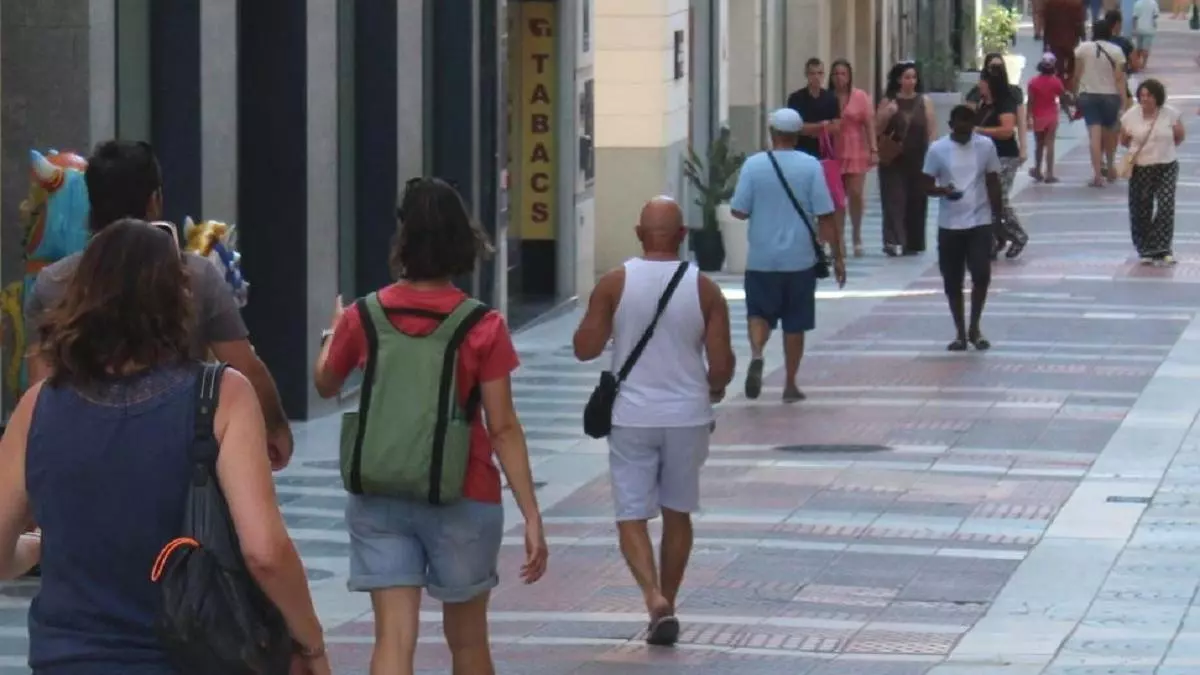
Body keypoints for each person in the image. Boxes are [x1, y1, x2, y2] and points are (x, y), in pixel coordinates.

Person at [0, 220, 329, 675]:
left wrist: (38, 548)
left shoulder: (38, 406)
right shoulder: (220, 396)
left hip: (66, 660)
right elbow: (264, 552)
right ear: (178, 296)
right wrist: (310, 641)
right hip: (189, 657)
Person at [313, 177, 548, 675]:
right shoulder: (483, 325)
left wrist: (333, 332)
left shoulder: (363, 316)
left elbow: (326, 383)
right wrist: (531, 514)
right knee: (468, 642)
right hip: (463, 492)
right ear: (462, 242)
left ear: (403, 240)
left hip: (380, 489)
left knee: (393, 641)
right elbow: (503, 428)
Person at [23, 140, 294, 469]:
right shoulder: (197, 276)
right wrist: (275, 428)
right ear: (155, 201)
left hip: (84, 459)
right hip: (175, 458)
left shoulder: (53, 282)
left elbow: (40, 391)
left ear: (91, 205)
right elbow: (244, 365)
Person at [572, 197, 735, 647]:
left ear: (639, 234)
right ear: (682, 236)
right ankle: (671, 600)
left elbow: (585, 348)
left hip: (632, 417)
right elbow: (721, 367)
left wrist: (607, 319)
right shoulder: (705, 289)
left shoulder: (614, 283)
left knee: (631, 514)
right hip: (687, 417)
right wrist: (712, 388)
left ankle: (652, 598)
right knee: (677, 513)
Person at [730, 109, 842, 403]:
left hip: (761, 259)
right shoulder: (811, 166)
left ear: (772, 133)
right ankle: (790, 384)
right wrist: (839, 258)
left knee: (758, 313)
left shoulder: (753, 165)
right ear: (798, 135)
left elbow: (738, 210)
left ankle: (757, 353)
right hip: (800, 260)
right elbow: (826, 215)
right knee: (795, 323)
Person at [923, 106, 1005, 352]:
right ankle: (959, 331)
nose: (965, 134)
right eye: (960, 129)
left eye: (969, 129)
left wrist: (998, 219)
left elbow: (993, 181)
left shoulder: (985, 146)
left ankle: (975, 327)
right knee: (952, 279)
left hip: (979, 220)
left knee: (981, 274)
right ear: (950, 125)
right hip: (949, 224)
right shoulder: (937, 149)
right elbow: (925, 185)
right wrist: (943, 191)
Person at [1120, 79, 1185, 266]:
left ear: (1158, 97)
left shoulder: (1170, 114)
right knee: (1141, 207)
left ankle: (1163, 247)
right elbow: (1123, 140)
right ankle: (1146, 248)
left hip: (1166, 164)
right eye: (1142, 95)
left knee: (1166, 205)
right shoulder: (1131, 116)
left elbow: (1179, 136)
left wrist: (1163, 149)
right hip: (1141, 166)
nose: (1145, 99)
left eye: (1149, 95)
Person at [876, 62, 936, 256]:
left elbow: (931, 130)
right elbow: (876, 128)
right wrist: (887, 114)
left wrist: (933, 155)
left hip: (918, 158)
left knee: (916, 199)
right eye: (907, 77)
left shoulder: (924, 101)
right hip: (893, 158)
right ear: (898, 80)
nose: (911, 81)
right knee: (893, 199)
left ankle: (913, 242)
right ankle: (892, 240)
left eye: (913, 77)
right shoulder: (888, 101)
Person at [974, 63, 1027, 260]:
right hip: (985, 158)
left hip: (1004, 156)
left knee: (999, 199)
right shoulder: (983, 103)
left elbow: (1006, 131)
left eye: (983, 81)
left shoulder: (1005, 103)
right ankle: (996, 239)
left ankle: (1017, 234)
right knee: (985, 201)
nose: (979, 85)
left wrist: (980, 131)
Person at [829, 58, 878, 258]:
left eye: (843, 74)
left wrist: (873, 149)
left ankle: (856, 234)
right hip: (834, 151)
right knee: (837, 198)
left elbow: (869, 124)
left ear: (849, 76)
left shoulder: (860, 96)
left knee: (855, 193)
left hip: (856, 149)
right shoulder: (828, 98)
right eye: (836, 74)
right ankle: (839, 238)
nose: (839, 78)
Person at [1072, 19, 1128, 187]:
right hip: (1110, 95)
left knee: (1094, 136)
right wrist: (1124, 101)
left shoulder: (1082, 48)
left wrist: (1074, 93)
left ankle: (1097, 175)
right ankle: (1110, 168)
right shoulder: (1117, 51)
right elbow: (1119, 78)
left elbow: (1076, 75)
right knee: (1110, 134)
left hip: (1088, 95)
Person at [787, 57, 842, 159]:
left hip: (825, 154)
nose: (816, 77)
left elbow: (836, 127)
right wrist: (822, 126)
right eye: (812, 73)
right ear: (806, 75)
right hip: (801, 152)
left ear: (824, 75)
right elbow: (797, 128)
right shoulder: (796, 98)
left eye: (819, 73)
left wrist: (811, 129)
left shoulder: (831, 98)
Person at [1027, 53, 1068, 183]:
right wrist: (1070, 113)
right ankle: (1049, 174)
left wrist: (1028, 116)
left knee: (1039, 144)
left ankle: (1038, 170)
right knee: (1050, 143)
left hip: (1038, 115)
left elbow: (1030, 101)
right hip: (1052, 115)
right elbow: (1063, 97)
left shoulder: (1033, 82)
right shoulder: (1056, 81)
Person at [1044, 0, 1089, 87]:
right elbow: (1080, 23)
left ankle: (1060, 87)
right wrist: (1083, 38)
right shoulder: (1076, 3)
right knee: (1072, 67)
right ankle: (1069, 86)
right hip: (1071, 40)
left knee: (1058, 67)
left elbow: (1047, 23)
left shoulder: (1050, 3)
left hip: (1055, 40)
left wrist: (1046, 42)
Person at [1131, 0, 1160, 67]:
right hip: (1150, 29)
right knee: (1146, 48)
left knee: (1138, 47)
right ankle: (1144, 64)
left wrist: (1134, 28)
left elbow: (1135, 17)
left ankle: (1137, 62)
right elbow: (1155, 15)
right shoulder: (1153, 2)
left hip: (1139, 28)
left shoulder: (1138, 3)